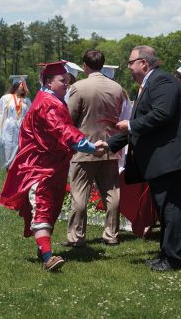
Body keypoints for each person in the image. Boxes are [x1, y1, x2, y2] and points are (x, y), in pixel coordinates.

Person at [97, 45, 181, 271]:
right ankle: (167, 254)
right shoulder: (150, 83)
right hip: (164, 159)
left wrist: (131, 124)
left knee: (172, 209)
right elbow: (142, 125)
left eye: (130, 61)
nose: (128, 66)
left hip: (172, 158)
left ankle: (176, 258)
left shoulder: (162, 81)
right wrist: (109, 144)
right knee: (165, 209)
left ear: (143, 63)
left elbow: (162, 114)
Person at [0, 62, 103, 272]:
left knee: (51, 207)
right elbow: (63, 130)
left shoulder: (51, 99)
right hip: (41, 166)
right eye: (62, 80)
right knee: (43, 207)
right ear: (48, 82)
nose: (67, 83)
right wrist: (89, 146)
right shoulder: (48, 103)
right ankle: (48, 258)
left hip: (53, 165)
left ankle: (43, 247)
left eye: (67, 80)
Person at [63, 50, 123, 247]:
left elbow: (69, 118)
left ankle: (76, 236)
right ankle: (111, 234)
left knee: (79, 193)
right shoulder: (117, 88)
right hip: (110, 146)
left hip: (85, 147)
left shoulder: (78, 87)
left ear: (86, 66)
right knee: (112, 193)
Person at [0, 75, 31, 170]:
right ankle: (9, 177)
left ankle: (19, 180)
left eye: (24, 86)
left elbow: (30, 116)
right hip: (8, 129)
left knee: (20, 154)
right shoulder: (6, 98)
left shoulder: (26, 101)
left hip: (22, 130)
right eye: (20, 85)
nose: (22, 88)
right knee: (8, 154)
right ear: (15, 86)